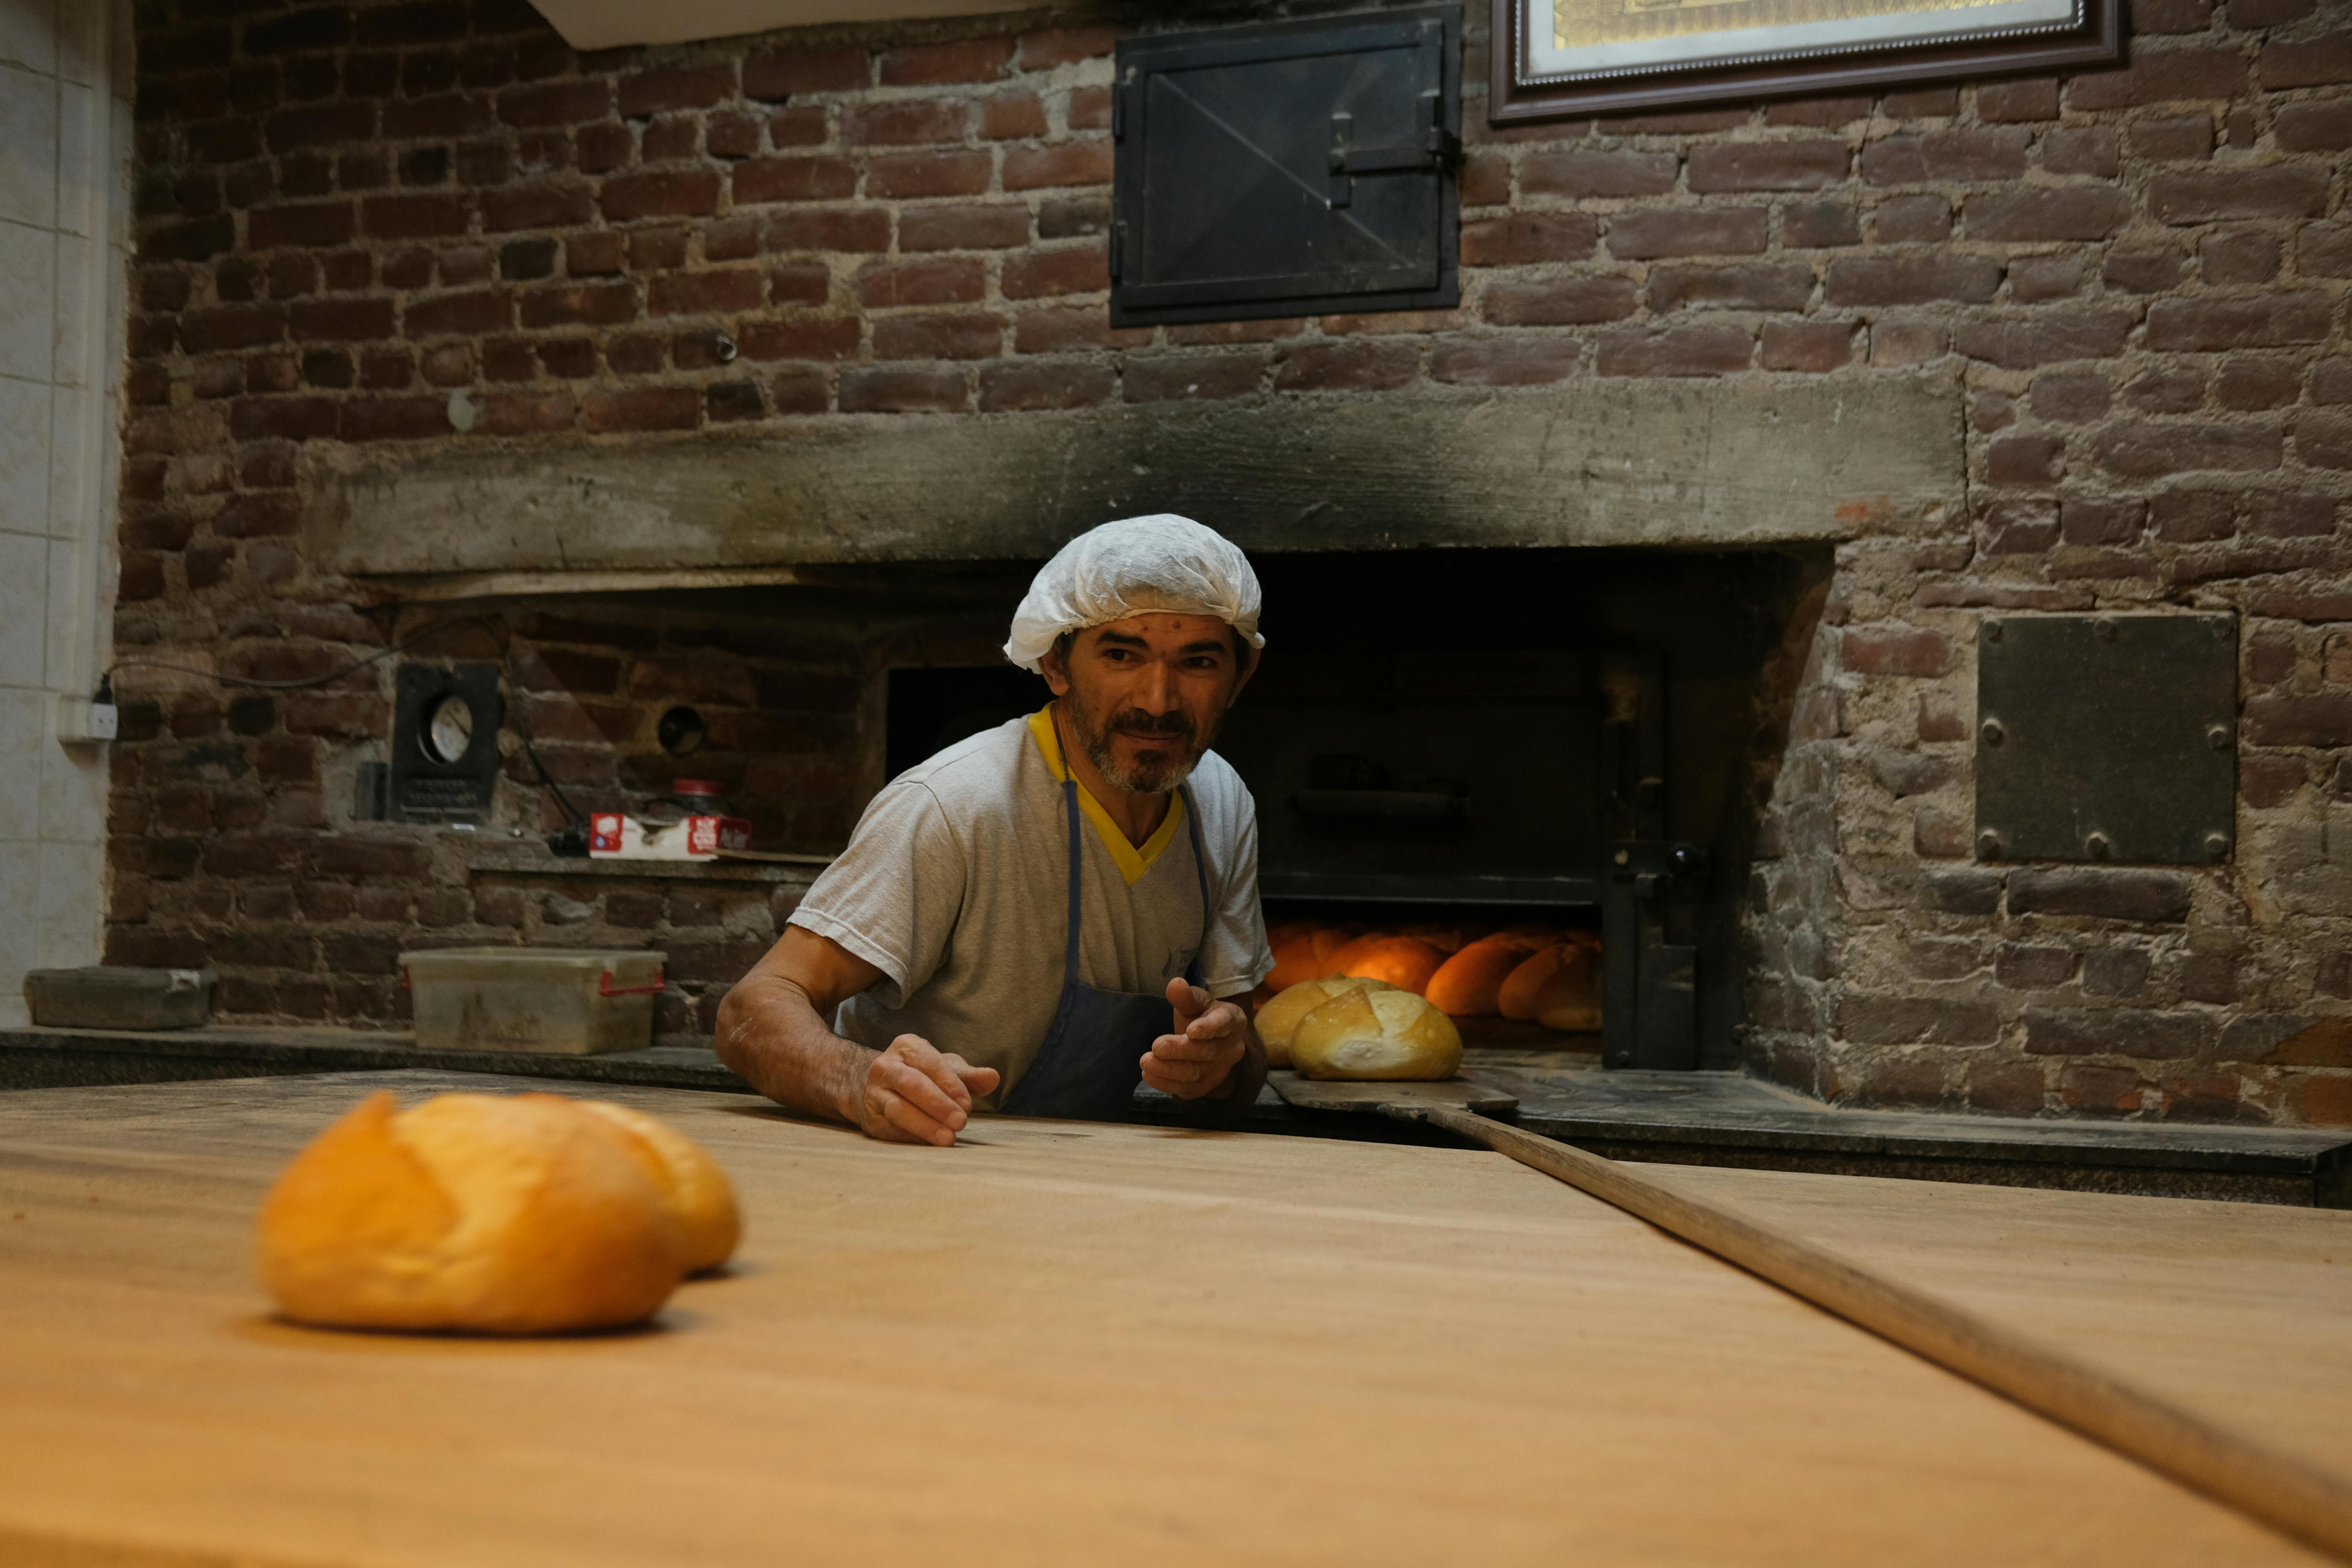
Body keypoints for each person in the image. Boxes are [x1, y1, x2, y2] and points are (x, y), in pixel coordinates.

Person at [714, 515, 1274, 1145]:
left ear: (1241, 675)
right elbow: (752, 1008)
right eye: (1122, 654)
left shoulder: (1223, 803)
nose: (1158, 699)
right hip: (919, 1167)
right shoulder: (955, 804)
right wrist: (860, 1079)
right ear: (1057, 664)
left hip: (1097, 1183)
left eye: (1197, 662)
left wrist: (1221, 1068)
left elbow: (1242, 1050)